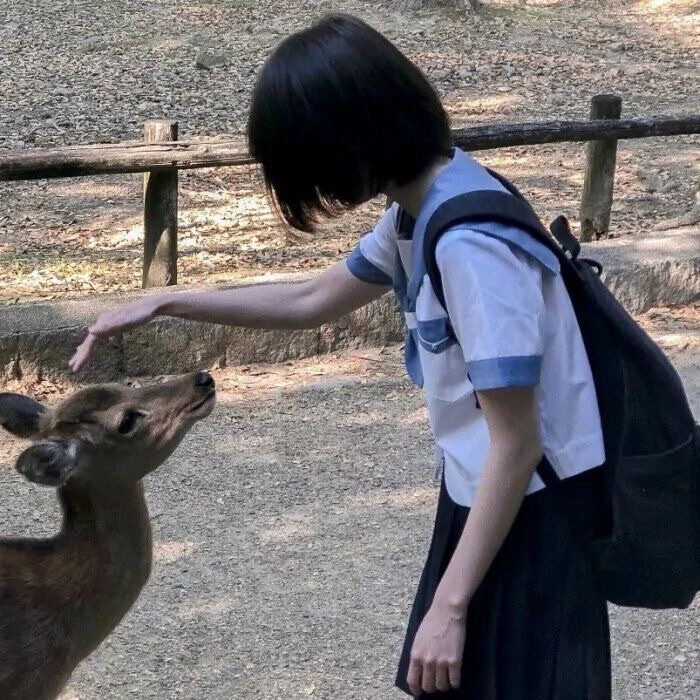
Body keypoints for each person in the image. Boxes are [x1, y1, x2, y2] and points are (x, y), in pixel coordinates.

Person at [70, 14, 611, 699]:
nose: (310, 188)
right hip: (484, 503)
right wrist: (168, 301)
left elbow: (518, 444)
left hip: (534, 520)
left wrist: (450, 606)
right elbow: (311, 300)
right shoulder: (420, 206)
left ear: (349, 142)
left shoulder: (470, 247)